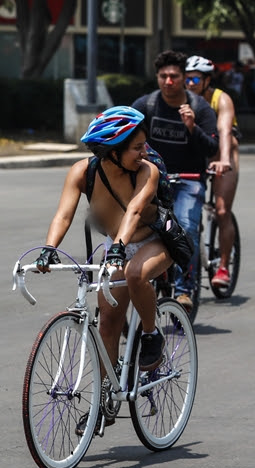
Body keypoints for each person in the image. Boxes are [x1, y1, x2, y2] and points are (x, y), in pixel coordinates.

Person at [36, 107, 175, 433]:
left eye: (144, 145)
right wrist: (49, 249)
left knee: (135, 274)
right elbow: (64, 215)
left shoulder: (147, 171)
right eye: (137, 147)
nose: (145, 152)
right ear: (112, 152)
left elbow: (135, 211)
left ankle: (152, 336)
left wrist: (118, 248)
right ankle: (104, 402)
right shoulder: (82, 172)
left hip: (157, 241)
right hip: (119, 247)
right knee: (109, 321)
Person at [132, 50, 219, 313]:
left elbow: (212, 148)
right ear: (157, 77)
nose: (168, 81)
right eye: (163, 76)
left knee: (185, 226)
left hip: (188, 181)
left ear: (184, 78)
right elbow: (125, 140)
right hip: (151, 179)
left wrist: (192, 127)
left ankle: (183, 290)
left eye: (174, 76)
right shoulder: (145, 105)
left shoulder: (200, 107)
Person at [185, 55, 240, 289]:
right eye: (186, 79)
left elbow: (225, 132)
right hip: (195, 154)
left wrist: (224, 160)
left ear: (207, 80)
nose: (190, 84)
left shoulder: (221, 99)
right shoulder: (180, 99)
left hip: (222, 154)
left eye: (195, 79)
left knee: (221, 210)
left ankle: (223, 266)